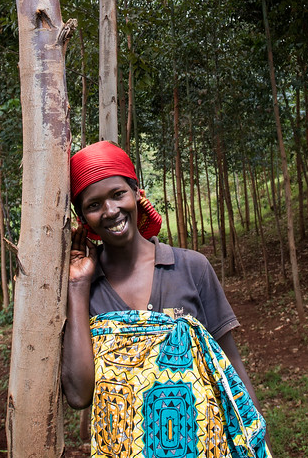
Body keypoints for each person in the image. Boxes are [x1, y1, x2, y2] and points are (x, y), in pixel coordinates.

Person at [61, 140, 272, 458]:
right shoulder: (84, 289)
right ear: (82, 218)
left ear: (136, 192)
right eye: (94, 205)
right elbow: (79, 395)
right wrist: (78, 287)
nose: (110, 211)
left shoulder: (191, 267)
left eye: (118, 194)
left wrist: (256, 443)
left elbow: (231, 365)